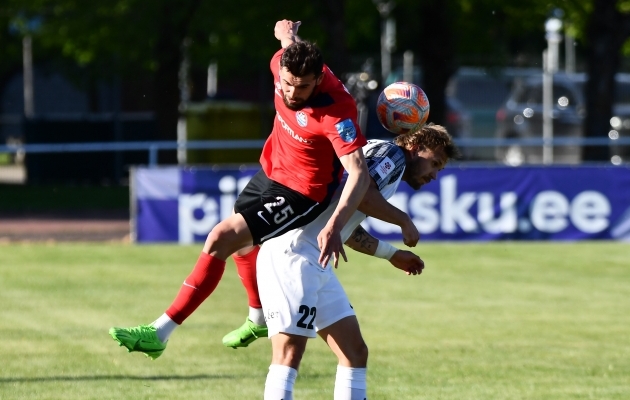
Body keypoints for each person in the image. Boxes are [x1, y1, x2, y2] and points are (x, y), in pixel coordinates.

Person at [109, 19, 372, 360]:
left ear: (319, 80)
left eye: (303, 87)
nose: (292, 93)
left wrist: (335, 224)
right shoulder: (283, 64)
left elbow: (358, 173)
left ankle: (160, 332)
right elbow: (287, 43)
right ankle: (258, 318)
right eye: (288, 84)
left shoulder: (337, 113)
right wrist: (286, 32)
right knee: (241, 246)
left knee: (221, 237)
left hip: (302, 191)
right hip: (271, 172)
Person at [258, 124, 459, 399]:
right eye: (434, 163)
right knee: (289, 351)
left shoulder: (389, 164)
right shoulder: (393, 155)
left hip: (317, 258)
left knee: (354, 351)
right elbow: (360, 192)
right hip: (293, 254)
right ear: (414, 147)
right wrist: (404, 220)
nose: (434, 174)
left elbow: (348, 228)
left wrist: (392, 254)